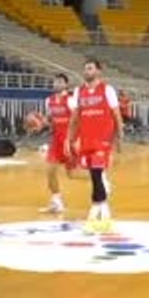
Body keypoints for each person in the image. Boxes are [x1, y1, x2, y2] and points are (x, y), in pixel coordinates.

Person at [66, 60, 124, 233]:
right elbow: (75, 117)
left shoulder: (107, 89)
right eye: (85, 68)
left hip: (103, 139)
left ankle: (99, 215)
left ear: (99, 71)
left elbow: (116, 114)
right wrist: (70, 138)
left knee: (97, 175)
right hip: (86, 139)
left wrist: (119, 135)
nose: (86, 71)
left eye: (90, 68)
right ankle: (102, 213)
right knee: (94, 176)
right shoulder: (79, 91)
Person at [40, 73, 74, 215]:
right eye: (55, 82)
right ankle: (56, 202)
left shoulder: (71, 100)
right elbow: (50, 121)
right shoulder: (49, 101)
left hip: (70, 141)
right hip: (56, 141)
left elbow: (78, 120)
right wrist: (40, 123)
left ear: (66, 84)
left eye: (60, 82)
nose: (57, 84)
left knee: (72, 174)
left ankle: (100, 180)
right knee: (50, 172)